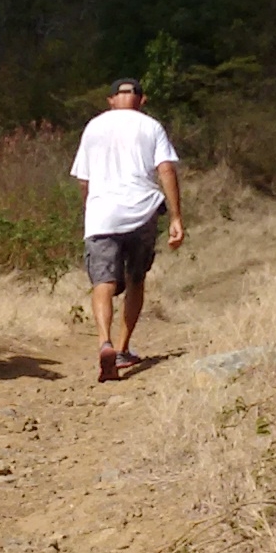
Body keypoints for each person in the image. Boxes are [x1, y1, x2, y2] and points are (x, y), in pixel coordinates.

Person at [70, 76, 184, 384]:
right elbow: (166, 170)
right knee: (136, 279)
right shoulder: (151, 127)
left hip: (101, 214)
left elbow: (84, 180)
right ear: (142, 100)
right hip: (142, 210)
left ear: (110, 100)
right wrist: (176, 217)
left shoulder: (93, 127)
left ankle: (104, 341)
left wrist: (90, 210)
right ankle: (122, 349)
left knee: (103, 281)